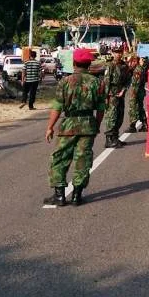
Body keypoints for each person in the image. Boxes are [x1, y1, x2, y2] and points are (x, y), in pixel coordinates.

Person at [43, 48, 106, 206]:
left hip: (69, 125)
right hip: (88, 124)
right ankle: (77, 195)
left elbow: (57, 106)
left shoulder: (65, 81)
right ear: (89, 64)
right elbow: (100, 109)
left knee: (60, 158)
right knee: (83, 159)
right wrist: (96, 126)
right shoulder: (98, 82)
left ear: (74, 63)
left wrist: (50, 127)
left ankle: (59, 195)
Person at [102, 47, 130, 149]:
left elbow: (128, 80)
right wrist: (106, 96)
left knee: (120, 116)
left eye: (120, 52)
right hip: (111, 94)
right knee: (111, 116)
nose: (118, 54)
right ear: (113, 53)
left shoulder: (124, 66)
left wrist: (123, 90)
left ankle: (115, 137)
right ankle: (109, 140)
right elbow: (106, 82)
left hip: (120, 93)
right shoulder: (110, 66)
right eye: (116, 52)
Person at [126, 54, 147, 132]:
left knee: (133, 108)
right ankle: (145, 124)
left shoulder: (137, 70)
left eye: (130, 62)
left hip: (136, 92)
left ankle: (132, 125)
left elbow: (135, 84)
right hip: (140, 92)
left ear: (135, 61)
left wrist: (133, 94)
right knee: (140, 108)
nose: (129, 64)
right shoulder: (138, 69)